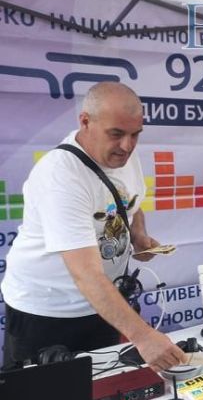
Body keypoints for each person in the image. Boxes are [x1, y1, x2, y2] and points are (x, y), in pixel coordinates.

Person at [1, 82, 186, 373]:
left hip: (103, 304)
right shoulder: (61, 175)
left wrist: (137, 235)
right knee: (42, 398)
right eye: (116, 134)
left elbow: (130, 202)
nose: (127, 146)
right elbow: (86, 274)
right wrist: (143, 336)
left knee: (104, 390)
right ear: (85, 121)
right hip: (46, 313)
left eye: (135, 134)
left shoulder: (124, 156)